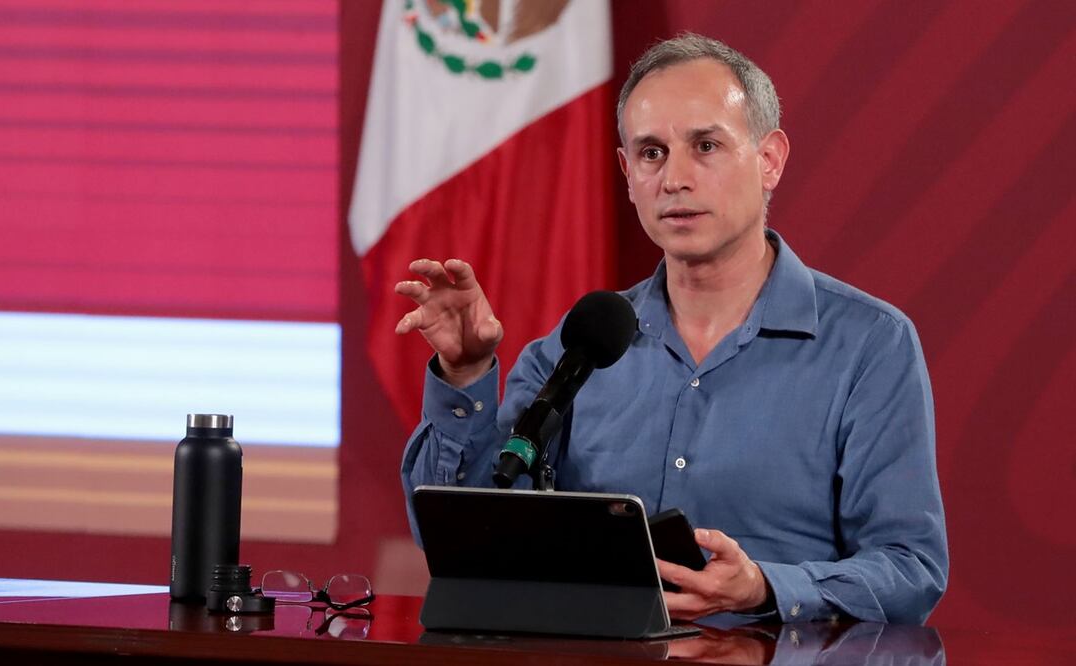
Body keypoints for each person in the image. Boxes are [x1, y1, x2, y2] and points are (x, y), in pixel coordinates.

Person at [394, 33, 948, 624]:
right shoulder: (578, 347)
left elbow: (911, 569)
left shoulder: (870, 344)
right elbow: (465, 537)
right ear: (627, 172)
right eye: (652, 153)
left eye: (705, 145)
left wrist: (767, 587)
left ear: (770, 159)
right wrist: (466, 371)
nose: (674, 178)